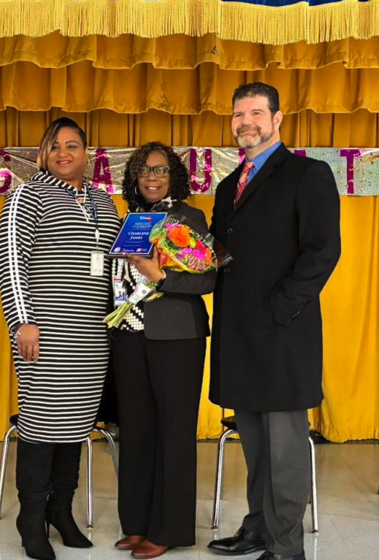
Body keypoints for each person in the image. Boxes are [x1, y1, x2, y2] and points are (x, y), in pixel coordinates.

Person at [205, 83, 341, 560]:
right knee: (257, 448)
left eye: (256, 113)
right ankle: (258, 528)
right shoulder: (226, 187)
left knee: (285, 452)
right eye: (239, 114)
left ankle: (287, 549)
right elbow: (222, 256)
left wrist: (279, 308)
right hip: (239, 338)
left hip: (283, 334)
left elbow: (322, 250)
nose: (246, 122)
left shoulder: (308, 174)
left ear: (278, 118)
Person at [0, 117, 122, 560]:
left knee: (75, 428)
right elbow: (11, 260)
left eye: (72, 145)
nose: (63, 152)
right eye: (54, 146)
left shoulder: (105, 202)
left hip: (92, 336)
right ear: (42, 154)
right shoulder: (27, 196)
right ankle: (31, 518)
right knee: (42, 425)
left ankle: (61, 511)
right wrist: (22, 322)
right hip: (45, 332)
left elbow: (115, 265)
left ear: (87, 152)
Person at [109, 142, 216, 559]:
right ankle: (135, 524)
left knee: (173, 433)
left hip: (177, 338)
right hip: (129, 336)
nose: (151, 177)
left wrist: (160, 276)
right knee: (135, 431)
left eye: (160, 170)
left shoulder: (188, 219)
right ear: (134, 177)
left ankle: (168, 528)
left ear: (174, 176)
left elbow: (207, 281)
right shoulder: (126, 219)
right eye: (143, 170)